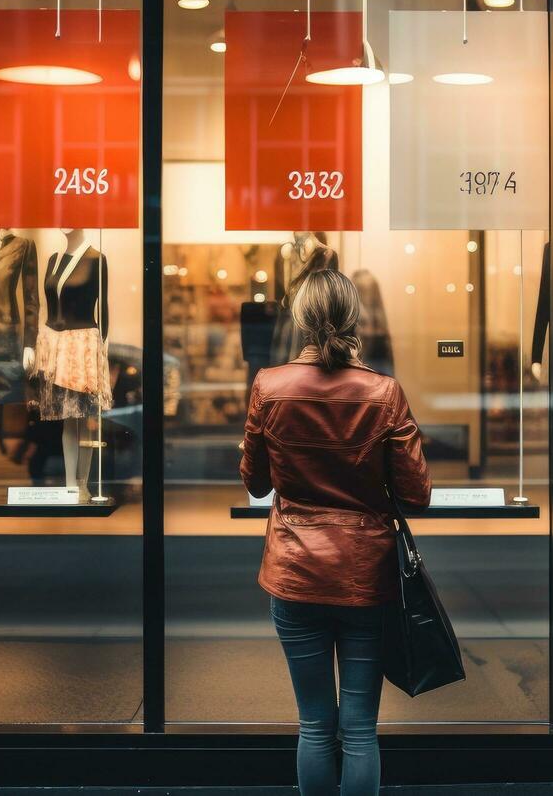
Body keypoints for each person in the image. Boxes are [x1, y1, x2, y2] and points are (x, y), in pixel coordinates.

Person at [239, 268, 430, 796]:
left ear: (301, 319)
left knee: (315, 725)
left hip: (295, 572)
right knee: (361, 730)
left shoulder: (269, 387)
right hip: (366, 577)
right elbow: (417, 494)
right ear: (355, 319)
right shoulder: (384, 393)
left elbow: (255, 482)